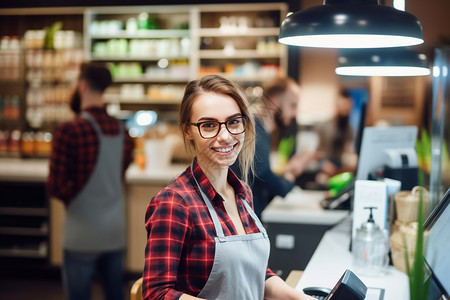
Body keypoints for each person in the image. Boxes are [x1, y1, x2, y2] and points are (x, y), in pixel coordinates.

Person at [143, 75, 314, 300]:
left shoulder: (243, 193)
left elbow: (255, 273)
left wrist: (301, 298)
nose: (225, 136)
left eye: (233, 122)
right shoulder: (175, 203)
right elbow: (156, 294)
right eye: (209, 125)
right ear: (187, 131)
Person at [47, 62, 134, 300]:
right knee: (115, 294)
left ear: (82, 85)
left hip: (81, 234)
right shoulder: (122, 131)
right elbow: (118, 176)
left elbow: (55, 186)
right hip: (114, 232)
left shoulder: (69, 130)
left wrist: (76, 196)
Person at [232, 77, 314, 218]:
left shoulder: (261, 130)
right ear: (275, 102)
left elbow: (258, 175)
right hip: (242, 224)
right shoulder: (254, 133)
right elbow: (272, 184)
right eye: (292, 105)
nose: (295, 113)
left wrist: (286, 170)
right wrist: (291, 175)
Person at [315, 88, 356, 177]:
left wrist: (350, 161)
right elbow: (317, 151)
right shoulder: (324, 126)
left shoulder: (349, 128)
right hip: (326, 166)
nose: (346, 110)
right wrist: (323, 164)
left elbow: (348, 150)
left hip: (340, 168)